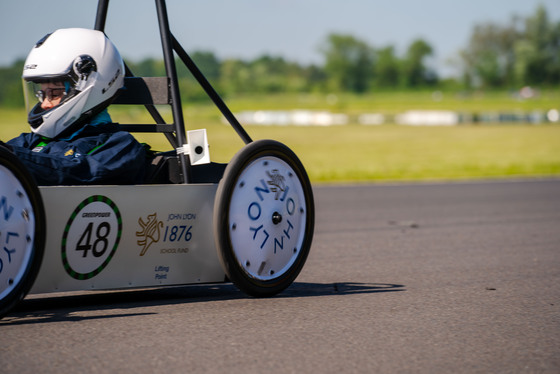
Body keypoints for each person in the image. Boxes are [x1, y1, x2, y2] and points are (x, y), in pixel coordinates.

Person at [4, 28, 147, 186]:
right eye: (42, 94)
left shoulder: (120, 146)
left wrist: (10, 156)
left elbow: (76, 172)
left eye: (54, 93)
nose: (44, 104)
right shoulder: (31, 141)